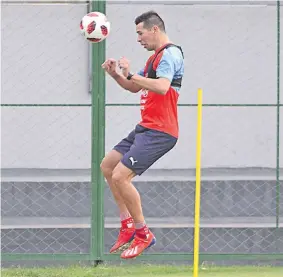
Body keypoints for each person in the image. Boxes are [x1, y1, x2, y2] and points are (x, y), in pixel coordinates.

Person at [100, 10, 184, 259]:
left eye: (140, 33)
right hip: (145, 128)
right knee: (107, 166)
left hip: (161, 131)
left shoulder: (170, 54)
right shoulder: (153, 59)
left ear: (154, 29)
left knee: (120, 177)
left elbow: (162, 86)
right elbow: (134, 87)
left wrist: (130, 74)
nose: (138, 39)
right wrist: (116, 74)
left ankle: (143, 233)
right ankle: (126, 225)